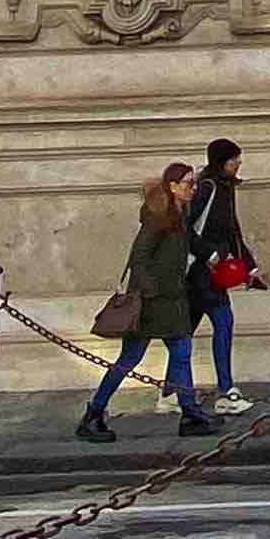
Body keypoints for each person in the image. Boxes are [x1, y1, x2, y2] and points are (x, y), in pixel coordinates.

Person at [77, 165, 213, 440]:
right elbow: (139, 257)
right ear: (172, 186)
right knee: (130, 358)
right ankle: (94, 413)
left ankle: (190, 413)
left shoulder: (179, 215)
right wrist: (152, 291)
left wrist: (211, 255)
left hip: (171, 300)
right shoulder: (158, 217)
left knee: (181, 352)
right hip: (153, 302)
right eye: (188, 184)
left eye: (193, 183)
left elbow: (189, 243)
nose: (193, 188)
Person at [186, 135, 265, 413]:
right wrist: (209, 253)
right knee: (223, 323)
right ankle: (225, 390)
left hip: (207, 273)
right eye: (234, 159)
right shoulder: (208, 188)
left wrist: (249, 265)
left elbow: (232, 230)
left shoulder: (224, 188)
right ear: (222, 162)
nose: (238, 163)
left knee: (184, 334)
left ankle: (172, 392)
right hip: (201, 274)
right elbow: (183, 227)